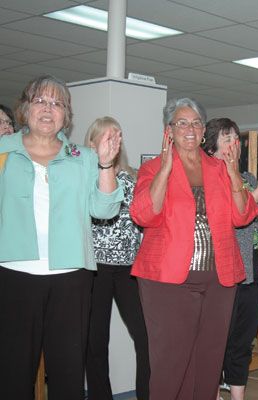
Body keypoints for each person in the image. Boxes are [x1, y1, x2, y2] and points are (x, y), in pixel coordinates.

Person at [0, 75, 123, 400]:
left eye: (57, 103)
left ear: (65, 116)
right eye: (41, 100)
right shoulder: (2, 151)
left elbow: (105, 209)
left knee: (67, 374)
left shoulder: (81, 157)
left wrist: (106, 164)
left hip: (71, 279)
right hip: (13, 275)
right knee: (12, 373)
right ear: (25, 108)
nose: (48, 108)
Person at [130, 98, 258, 400]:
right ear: (169, 130)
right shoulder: (151, 168)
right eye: (182, 123)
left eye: (196, 123)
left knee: (209, 361)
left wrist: (234, 170)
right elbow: (143, 214)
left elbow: (242, 216)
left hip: (218, 278)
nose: (190, 128)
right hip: (167, 280)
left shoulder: (218, 168)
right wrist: (164, 170)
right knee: (171, 363)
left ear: (203, 132)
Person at [202, 118, 258, 400]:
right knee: (216, 341)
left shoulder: (247, 178)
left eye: (236, 137)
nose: (233, 143)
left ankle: (237, 396)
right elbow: (232, 219)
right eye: (226, 137)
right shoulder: (206, 178)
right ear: (211, 144)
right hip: (223, 272)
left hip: (254, 272)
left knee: (242, 341)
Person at [84, 117, 150, 400]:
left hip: (129, 270)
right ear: (92, 142)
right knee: (95, 341)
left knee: (146, 337)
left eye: (117, 137)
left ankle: (148, 394)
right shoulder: (84, 177)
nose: (113, 142)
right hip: (93, 269)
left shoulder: (135, 177)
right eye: (106, 137)